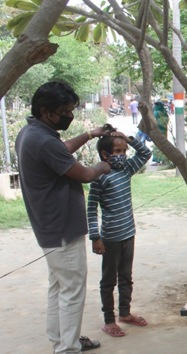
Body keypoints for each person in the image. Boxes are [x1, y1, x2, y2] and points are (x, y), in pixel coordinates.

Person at [15, 81, 111, 353]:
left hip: (49, 226)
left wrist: (90, 134)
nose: (69, 115)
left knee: (59, 287)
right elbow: (85, 174)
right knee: (72, 291)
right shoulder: (43, 140)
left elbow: (61, 150)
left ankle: (59, 341)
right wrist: (103, 166)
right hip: (61, 229)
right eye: (65, 111)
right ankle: (67, 349)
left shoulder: (31, 132)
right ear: (47, 112)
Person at [88, 126, 152, 337]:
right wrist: (95, 237)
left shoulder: (126, 170)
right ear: (105, 154)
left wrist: (127, 138)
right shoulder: (100, 177)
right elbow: (91, 209)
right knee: (109, 281)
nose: (122, 156)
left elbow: (145, 153)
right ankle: (109, 320)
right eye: (117, 152)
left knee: (126, 277)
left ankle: (125, 313)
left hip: (128, 234)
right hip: (111, 239)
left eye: (124, 151)